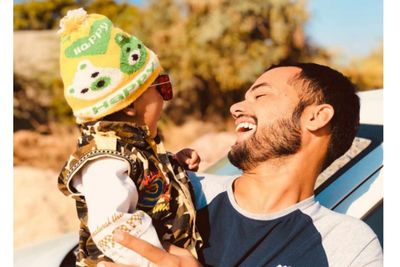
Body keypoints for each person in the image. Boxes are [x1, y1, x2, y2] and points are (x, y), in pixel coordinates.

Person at [98, 63, 383, 267]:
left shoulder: (349, 246)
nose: (235, 108)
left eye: (260, 95)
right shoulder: (178, 191)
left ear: (316, 117)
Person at [56, 8, 202, 267]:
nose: (168, 95)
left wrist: (172, 165)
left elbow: (140, 181)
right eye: (162, 86)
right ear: (130, 106)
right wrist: (163, 259)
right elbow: (113, 227)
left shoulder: (130, 147)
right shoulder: (104, 161)